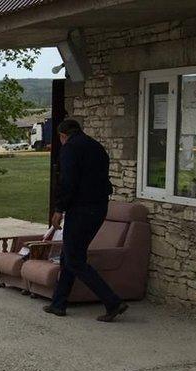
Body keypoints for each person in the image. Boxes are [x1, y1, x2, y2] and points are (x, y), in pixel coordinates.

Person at [43, 119, 128, 322]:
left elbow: (68, 181)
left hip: (81, 208)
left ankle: (112, 301)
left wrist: (59, 209)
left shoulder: (70, 149)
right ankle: (58, 303)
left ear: (63, 135)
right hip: (99, 207)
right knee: (70, 254)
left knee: (74, 259)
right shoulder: (95, 146)